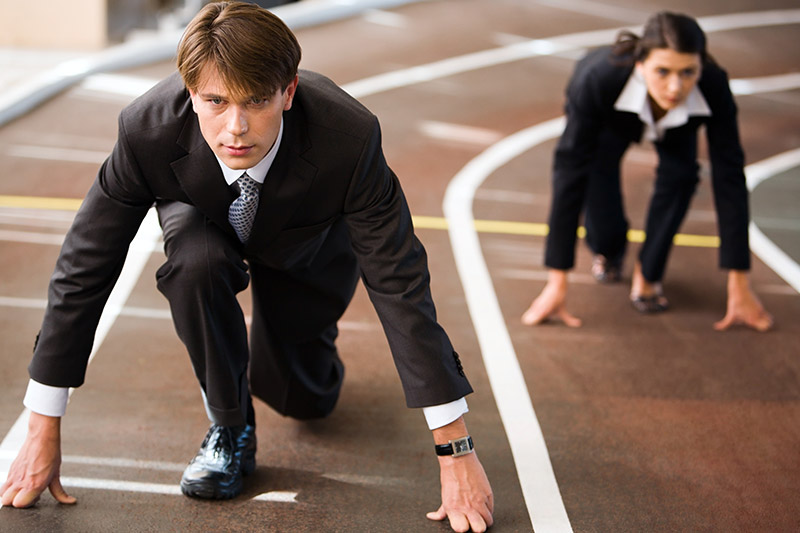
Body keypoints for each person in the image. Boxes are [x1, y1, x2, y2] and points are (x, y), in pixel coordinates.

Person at [0, 3, 493, 531]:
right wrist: (41, 424)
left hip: (306, 247)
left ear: (288, 91)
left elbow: (400, 282)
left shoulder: (348, 140)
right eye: (214, 101)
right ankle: (229, 427)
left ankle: (294, 359)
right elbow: (84, 268)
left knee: (303, 399)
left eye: (256, 101)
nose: (235, 128)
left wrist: (455, 448)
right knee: (194, 264)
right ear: (190, 93)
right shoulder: (146, 130)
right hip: (204, 224)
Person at [521, 11, 773, 332]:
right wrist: (557, 280)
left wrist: (740, 284)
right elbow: (569, 171)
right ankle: (609, 251)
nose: (674, 87)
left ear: (701, 66)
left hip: (679, 126)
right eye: (663, 71)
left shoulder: (712, 86)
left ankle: (649, 272)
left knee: (681, 176)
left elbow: (730, 175)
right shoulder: (598, 79)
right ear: (640, 65)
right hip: (612, 116)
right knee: (598, 177)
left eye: (688, 72)